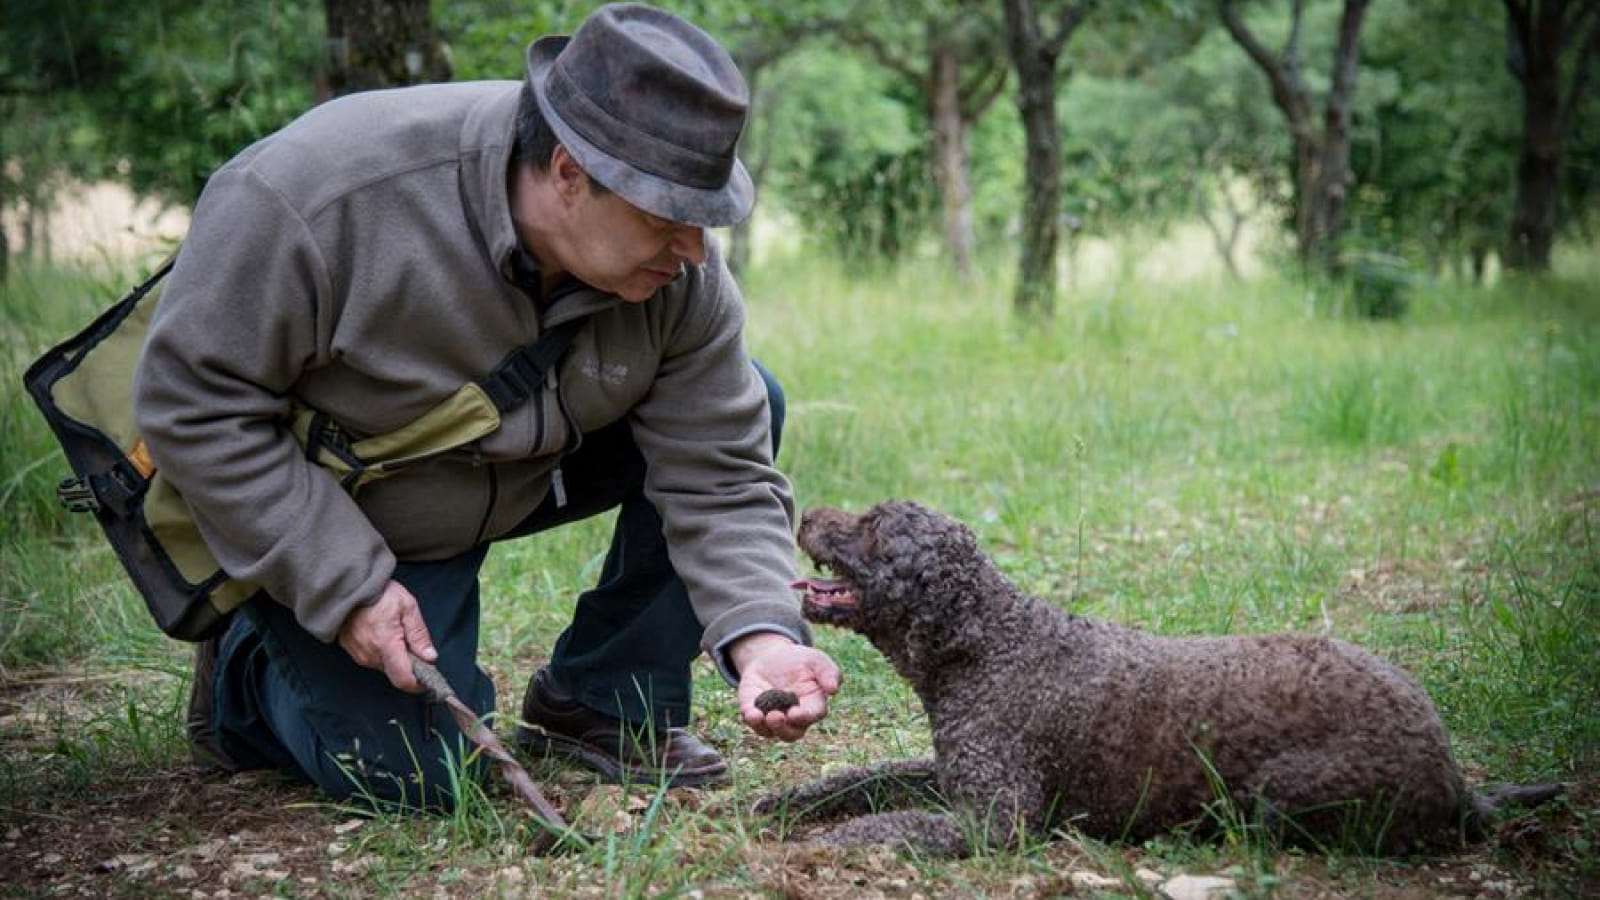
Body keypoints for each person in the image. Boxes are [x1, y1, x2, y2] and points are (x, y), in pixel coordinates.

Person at [134, 2, 840, 809]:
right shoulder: (317, 196)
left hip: (527, 470)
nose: (691, 253)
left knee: (760, 393)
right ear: (569, 173)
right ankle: (247, 670)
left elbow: (719, 474)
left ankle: (605, 700)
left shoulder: (682, 275)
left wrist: (763, 637)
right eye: (667, 216)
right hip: (358, 515)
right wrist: (345, 583)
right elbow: (192, 401)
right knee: (420, 776)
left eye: (704, 218)